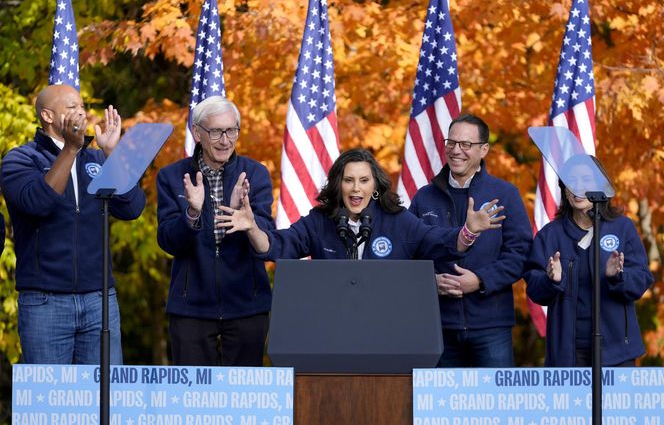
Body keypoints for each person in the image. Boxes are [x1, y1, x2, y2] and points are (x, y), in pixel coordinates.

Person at [0, 84, 146, 364]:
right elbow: (40, 203)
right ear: (48, 116)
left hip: (99, 300)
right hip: (45, 303)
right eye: (71, 108)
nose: (81, 113)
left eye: (82, 107)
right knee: (49, 399)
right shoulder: (21, 159)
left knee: (104, 399)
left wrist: (113, 154)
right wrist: (70, 149)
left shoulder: (96, 158)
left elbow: (132, 208)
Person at [218, 148, 505, 262]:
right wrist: (253, 227)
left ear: (375, 186)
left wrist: (468, 230)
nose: (356, 188)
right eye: (349, 180)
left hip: (388, 330)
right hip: (332, 328)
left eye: (364, 181)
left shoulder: (398, 221)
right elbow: (279, 246)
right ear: (338, 185)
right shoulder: (319, 220)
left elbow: (439, 242)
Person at [156, 96, 274, 367]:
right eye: (216, 132)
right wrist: (192, 213)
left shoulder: (255, 174)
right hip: (191, 308)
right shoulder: (172, 177)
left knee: (245, 396)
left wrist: (242, 219)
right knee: (193, 399)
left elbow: (267, 240)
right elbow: (168, 241)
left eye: (232, 130)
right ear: (197, 133)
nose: (225, 140)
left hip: (247, 304)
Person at [409, 114, 532, 368]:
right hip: (438, 326)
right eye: (451, 143)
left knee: (495, 404)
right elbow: (409, 253)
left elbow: (520, 254)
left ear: (484, 149)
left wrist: (480, 280)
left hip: (491, 326)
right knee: (440, 406)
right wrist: (430, 281)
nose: (456, 151)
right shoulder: (424, 198)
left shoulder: (504, 194)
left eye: (466, 144)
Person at [524, 155, 653, 367]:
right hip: (568, 353)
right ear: (564, 188)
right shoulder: (550, 235)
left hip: (617, 350)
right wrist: (551, 280)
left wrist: (618, 276)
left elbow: (641, 280)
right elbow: (534, 289)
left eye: (586, 180)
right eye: (570, 181)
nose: (578, 187)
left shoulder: (622, 228)